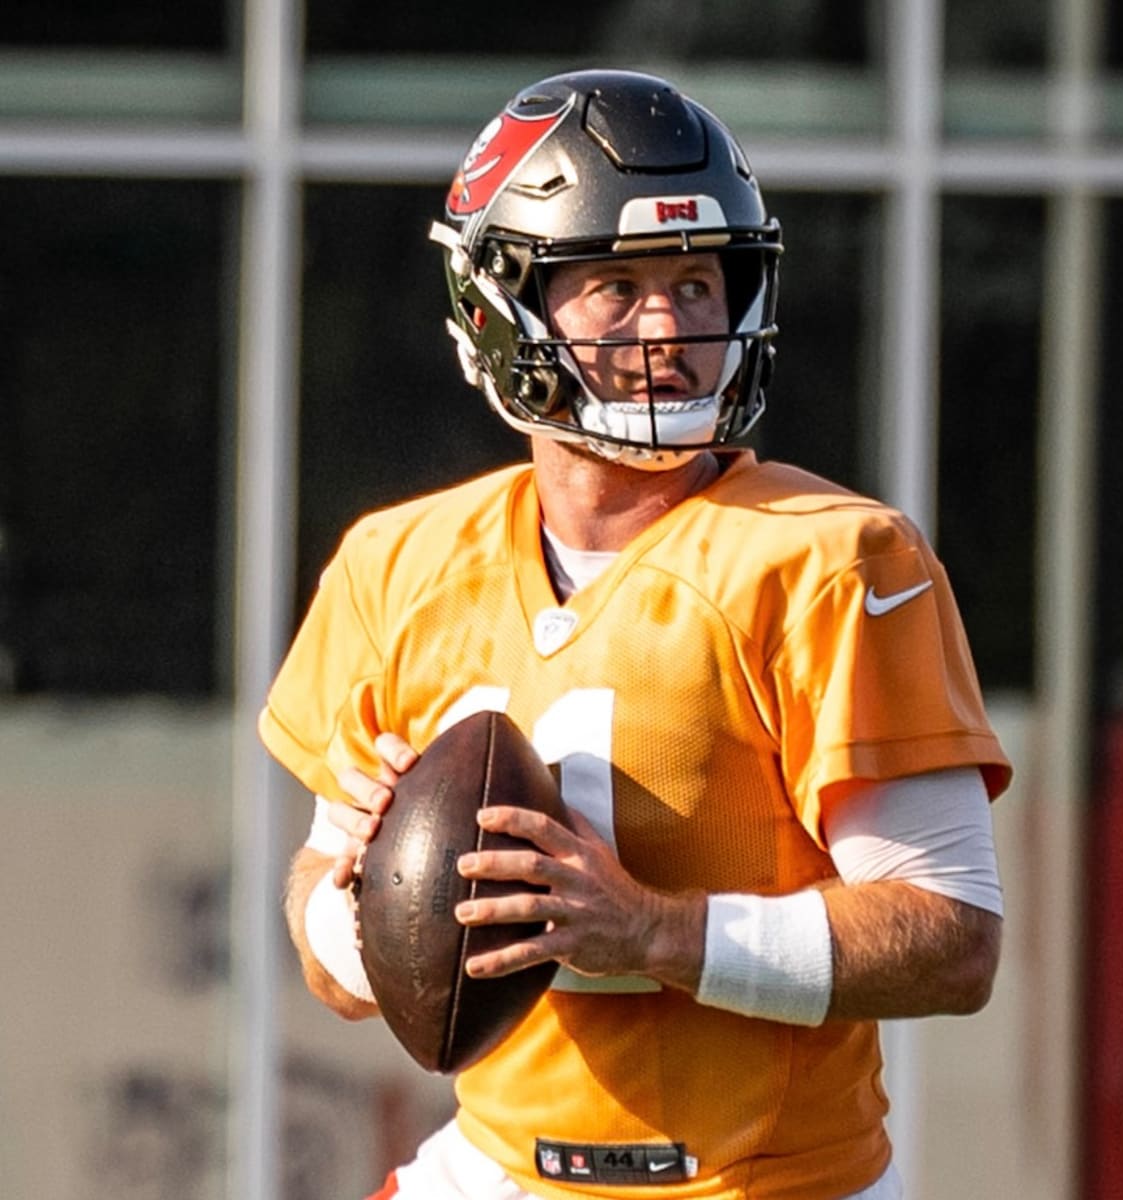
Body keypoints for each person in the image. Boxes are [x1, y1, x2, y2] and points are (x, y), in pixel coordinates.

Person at [259, 68, 1011, 1200]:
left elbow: (954, 944)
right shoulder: (395, 563)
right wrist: (356, 902)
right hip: (496, 1171)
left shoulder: (832, 559)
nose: (670, 329)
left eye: (699, 283)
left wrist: (656, 932)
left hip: (774, 1184)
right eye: (615, 287)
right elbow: (332, 957)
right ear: (496, 307)